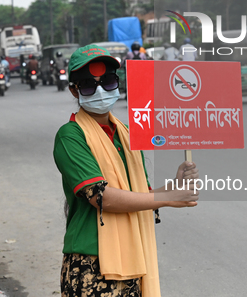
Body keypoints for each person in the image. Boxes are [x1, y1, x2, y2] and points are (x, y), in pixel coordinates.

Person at [54, 44, 199, 297]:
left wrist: (173, 189)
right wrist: (167, 198)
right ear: (74, 91)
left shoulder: (127, 133)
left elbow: (138, 194)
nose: (100, 90)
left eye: (108, 81)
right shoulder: (70, 136)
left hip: (133, 255)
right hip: (92, 262)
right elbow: (103, 197)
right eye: (89, 84)